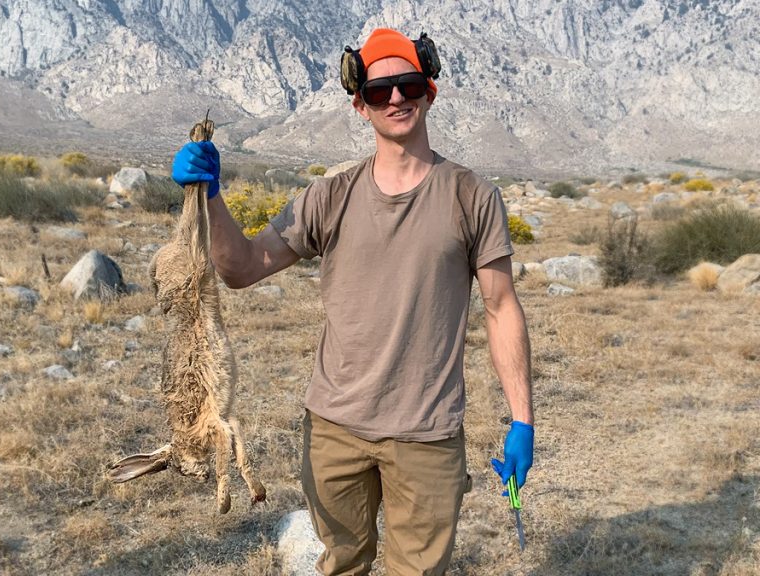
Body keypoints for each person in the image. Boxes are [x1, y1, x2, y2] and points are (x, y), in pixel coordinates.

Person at [171, 27, 534, 576]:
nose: (396, 98)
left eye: (408, 84)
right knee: (341, 566)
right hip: (334, 430)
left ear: (428, 91)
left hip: (427, 435)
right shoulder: (329, 196)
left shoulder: (470, 195)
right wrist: (212, 198)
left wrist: (522, 420)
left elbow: (502, 307)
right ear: (359, 105)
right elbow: (241, 269)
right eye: (379, 90)